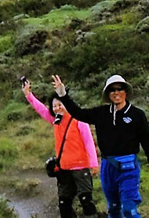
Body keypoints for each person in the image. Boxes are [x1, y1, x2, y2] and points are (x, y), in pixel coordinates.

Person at [52, 74, 149, 218]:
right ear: (108, 94)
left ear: (125, 92)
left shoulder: (137, 114)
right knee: (114, 209)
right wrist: (63, 95)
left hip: (129, 166)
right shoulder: (101, 113)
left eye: (119, 89)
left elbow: (147, 142)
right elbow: (78, 113)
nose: (116, 93)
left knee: (129, 208)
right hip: (108, 166)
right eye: (112, 90)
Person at [24, 78, 101, 218]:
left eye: (60, 104)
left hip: (80, 167)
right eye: (54, 106)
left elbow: (88, 142)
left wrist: (94, 163)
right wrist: (29, 95)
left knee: (86, 201)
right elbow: (41, 109)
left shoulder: (78, 119)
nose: (57, 108)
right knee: (64, 203)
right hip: (64, 169)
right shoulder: (56, 121)